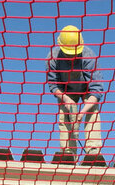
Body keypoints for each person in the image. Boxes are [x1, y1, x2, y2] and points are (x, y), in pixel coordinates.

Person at [46, 25, 103, 158]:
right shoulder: (53, 58)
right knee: (64, 113)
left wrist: (81, 112)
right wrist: (66, 100)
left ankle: (93, 151)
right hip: (66, 91)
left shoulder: (89, 57)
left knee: (93, 111)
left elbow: (97, 90)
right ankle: (68, 153)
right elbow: (53, 85)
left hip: (87, 90)